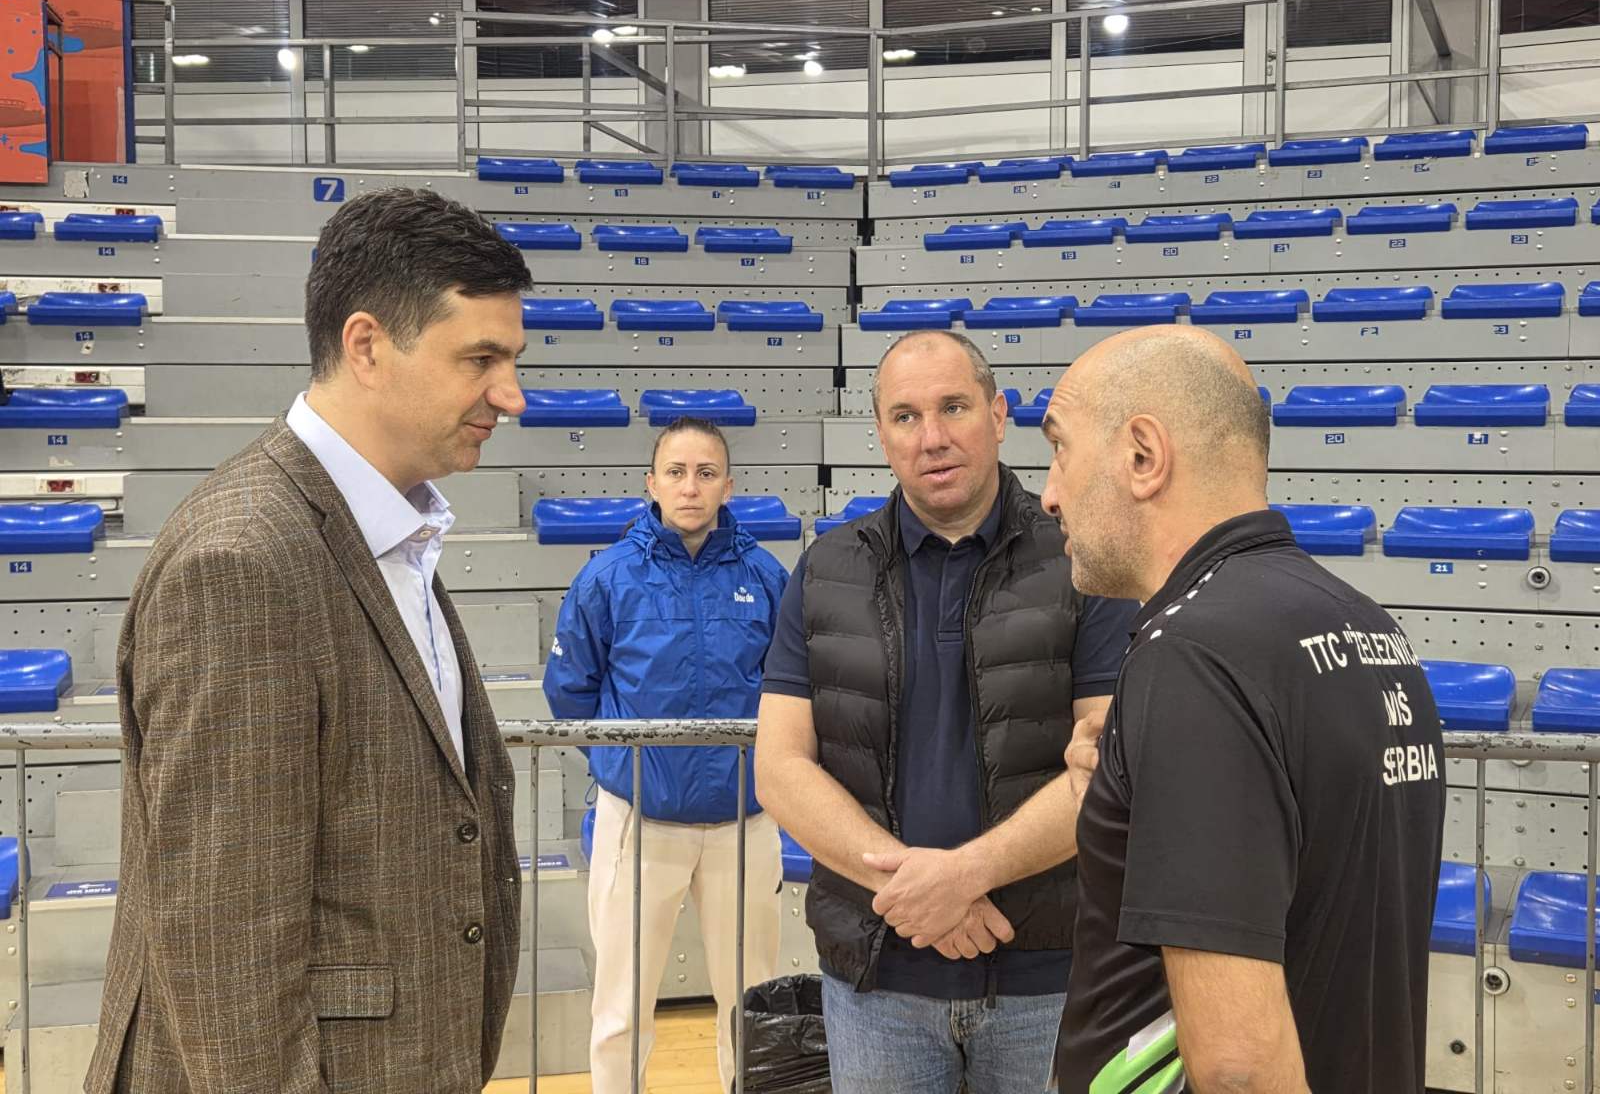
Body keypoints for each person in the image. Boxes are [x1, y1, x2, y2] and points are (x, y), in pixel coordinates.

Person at [86, 187, 531, 1094]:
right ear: (366, 346)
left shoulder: (386, 532)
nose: (510, 396)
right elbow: (225, 939)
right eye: (480, 359)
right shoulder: (243, 560)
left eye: (511, 361)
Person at [1039, 325, 1445, 1094]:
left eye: (1060, 448)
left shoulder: (1193, 654)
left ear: (1143, 456)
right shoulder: (1364, 623)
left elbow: (1238, 1068)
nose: (1049, 493)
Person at [755, 329, 1139, 1094]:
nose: (931, 437)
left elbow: (1108, 769)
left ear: (998, 415)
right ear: (881, 433)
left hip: (1050, 979)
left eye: (954, 407)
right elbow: (780, 767)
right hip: (876, 983)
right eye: (905, 416)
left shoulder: (1085, 560)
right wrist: (917, 894)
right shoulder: (825, 569)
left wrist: (964, 875)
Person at [543, 417, 789, 1094]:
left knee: (751, 1001)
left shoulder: (767, 577)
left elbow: (792, 689)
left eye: (706, 473)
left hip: (744, 821)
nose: (690, 487)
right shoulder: (607, 577)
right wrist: (626, 772)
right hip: (640, 822)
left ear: (728, 486)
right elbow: (570, 690)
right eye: (676, 473)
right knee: (621, 1007)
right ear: (651, 483)